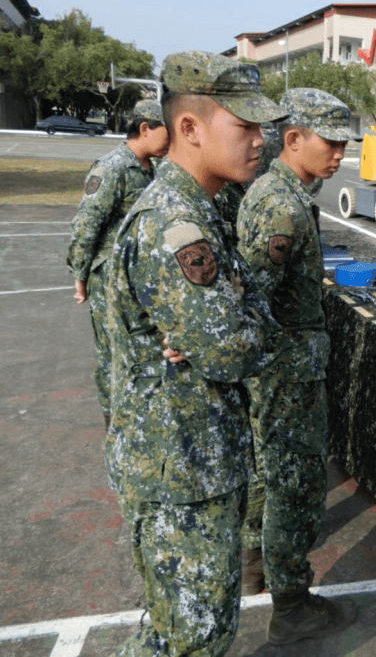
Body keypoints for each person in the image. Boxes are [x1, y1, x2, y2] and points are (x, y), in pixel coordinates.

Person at [104, 51, 286, 656]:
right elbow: (235, 350)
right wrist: (236, 322)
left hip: (195, 457)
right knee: (191, 638)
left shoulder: (202, 211)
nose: (262, 141)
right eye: (245, 125)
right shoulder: (172, 225)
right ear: (189, 128)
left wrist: (234, 320)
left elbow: (240, 326)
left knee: (178, 630)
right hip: (179, 466)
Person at [236, 87, 358, 645]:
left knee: (268, 473)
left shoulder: (277, 192)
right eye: (330, 143)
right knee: (295, 483)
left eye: (343, 144)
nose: (340, 155)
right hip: (286, 372)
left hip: (281, 367)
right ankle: (291, 605)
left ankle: (253, 566)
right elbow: (253, 299)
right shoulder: (282, 205)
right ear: (293, 139)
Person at [66, 98, 168, 430]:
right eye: (167, 132)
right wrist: (79, 275)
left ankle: (141, 415)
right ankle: (115, 422)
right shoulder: (111, 168)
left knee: (142, 349)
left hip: (142, 280)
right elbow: (86, 226)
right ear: (145, 129)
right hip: (109, 279)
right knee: (112, 351)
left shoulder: (155, 169)